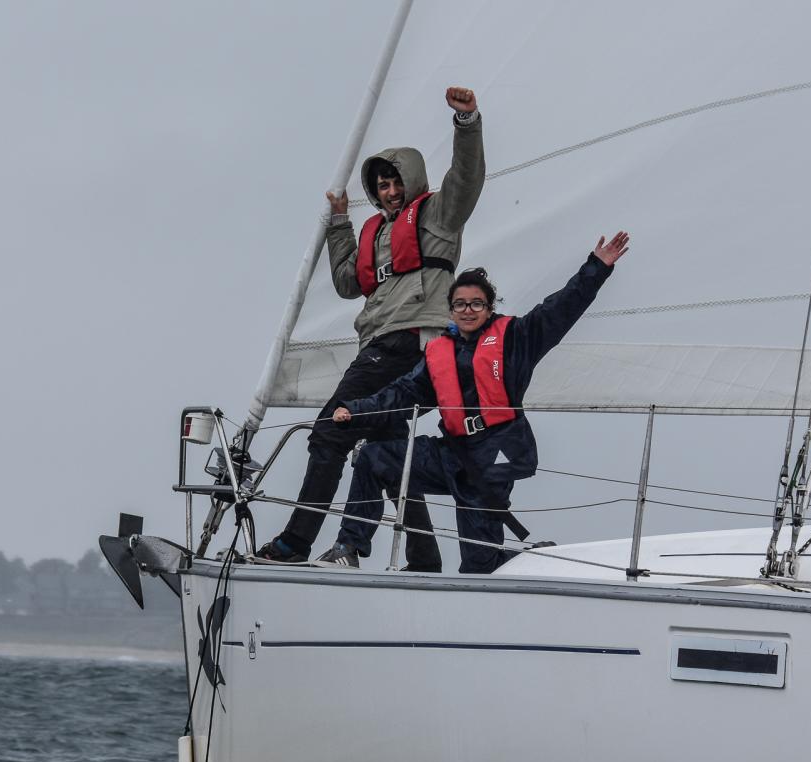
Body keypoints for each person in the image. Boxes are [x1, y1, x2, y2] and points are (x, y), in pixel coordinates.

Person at [256, 87, 486, 571]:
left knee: (330, 431)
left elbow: (466, 178)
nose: (390, 191)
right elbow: (347, 282)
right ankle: (424, 558)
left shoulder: (439, 216)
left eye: (396, 181)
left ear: (411, 180)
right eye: (382, 185)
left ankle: (296, 542)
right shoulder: (377, 233)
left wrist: (466, 123)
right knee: (386, 448)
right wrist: (341, 222)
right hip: (382, 343)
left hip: (408, 342)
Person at [320, 232, 630, 573]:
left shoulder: (516, 338)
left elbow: (560, 309)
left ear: (489, 307)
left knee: (479, 565)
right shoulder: (438, 353)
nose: (468, 310)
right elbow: (401, 392)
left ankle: (534, 561)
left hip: (492, 458)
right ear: (451, 310)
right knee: (373, 458)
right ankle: (347, 548)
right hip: (450, 453)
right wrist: (356, 410)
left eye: (476, 304)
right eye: (460, 304)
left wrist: (597, 267)